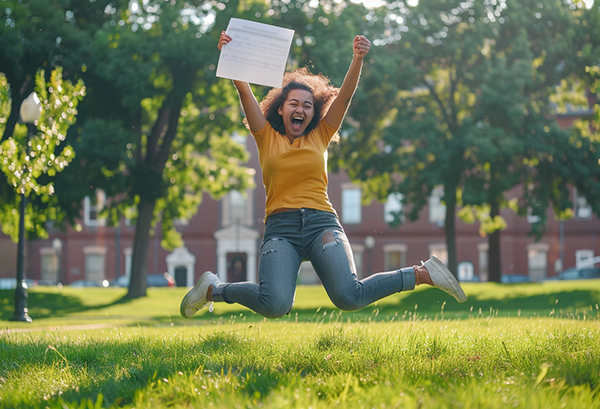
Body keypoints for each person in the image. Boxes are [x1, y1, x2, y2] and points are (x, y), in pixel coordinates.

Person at [180, 30, 467, 320]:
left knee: (349, 296)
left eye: (308, 105)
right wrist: (231, 56)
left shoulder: (321, 135)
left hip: (321, 224)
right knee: (275, 304)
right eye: (293, 103)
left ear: (313, 113)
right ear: (280, 109)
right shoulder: (266, 137)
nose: (301, 109)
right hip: (281, 229)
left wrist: (357, 59)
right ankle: (213, 289)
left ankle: (422, 273)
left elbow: (344, 97)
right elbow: (244, 91)